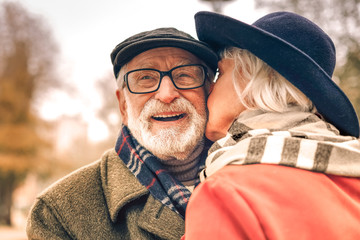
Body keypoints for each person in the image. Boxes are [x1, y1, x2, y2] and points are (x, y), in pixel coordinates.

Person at [26, 27, 217, 239]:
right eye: (145, 78)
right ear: (123, 105)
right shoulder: (58, 212)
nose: (166, 94)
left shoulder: (253, 175)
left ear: (210, 92)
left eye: (184, 75)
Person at [183, 11, 360, 239]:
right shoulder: (351, 171)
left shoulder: (228, 194)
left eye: (221, 72)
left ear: (251, 80)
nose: (211, 86)